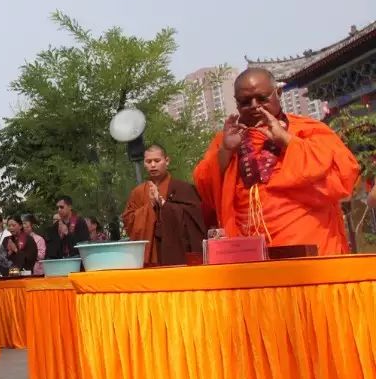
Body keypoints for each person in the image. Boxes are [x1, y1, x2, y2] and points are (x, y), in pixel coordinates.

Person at [193, 67, 359, 255]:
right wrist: (226, 151)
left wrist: (286, 140)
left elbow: (343, 175)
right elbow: (205, 189)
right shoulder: (226, 139)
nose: (255, 106)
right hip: (246, 244)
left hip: (306, 239)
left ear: (278, 93)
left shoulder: (307, 130)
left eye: (262, 98)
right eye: (245, 102)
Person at [121, 144, 207, 266]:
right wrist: (150, 206)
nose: (153, 165)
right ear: (144, 164)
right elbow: (128, 221)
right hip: (150, 254)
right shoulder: (138, 192)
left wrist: (163, 204)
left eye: (157, 160)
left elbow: (196, 218)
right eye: (148, 161)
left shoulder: (182, 188)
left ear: (166, 161)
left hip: (176, 252)